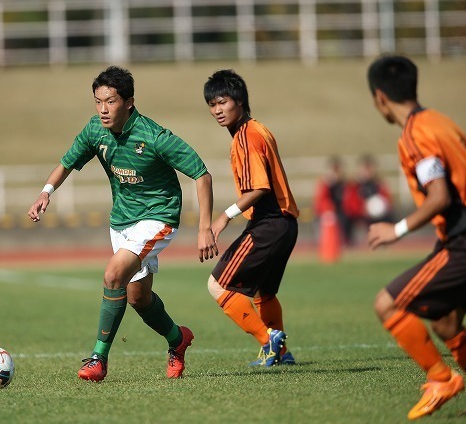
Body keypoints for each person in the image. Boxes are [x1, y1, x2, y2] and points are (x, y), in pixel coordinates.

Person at [28, 66, 218, 382]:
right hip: (121, 222)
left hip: (158, 217)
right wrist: (45, 193)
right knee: (137, 298)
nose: (103, 109)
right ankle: (177, 339)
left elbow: (202, 174)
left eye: (111, 101)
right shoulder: (95, 130)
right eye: (98, 101)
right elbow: (67, 162)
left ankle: (97, 359)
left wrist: (204, 228)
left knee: (113, 274)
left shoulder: (154, 136)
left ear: (129, 102)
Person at [367, 54, 466, 420]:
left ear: (380, 98)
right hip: (455, 237)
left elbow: (439, 196)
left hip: (463, 240)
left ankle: (441, 378)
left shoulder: (414, 135)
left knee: (387, 304)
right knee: (445, 320)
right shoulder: (441, 121)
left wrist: (397, 229)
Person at [203, 69, 299, 367]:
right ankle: (281, 354)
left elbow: (260, 188)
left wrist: (223, 218)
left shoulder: (246, 137)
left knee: (217, 285)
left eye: (223, 101)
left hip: (268, 223)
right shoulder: (259, 129)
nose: (217, 110)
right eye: (212, 104)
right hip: (286, 224)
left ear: (240, 101)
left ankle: (268, 340)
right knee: (263, 292)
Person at [313, 156, 362, 246]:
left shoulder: (346, 184)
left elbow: (353, 201)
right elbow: (320, 202)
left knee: (346, 218)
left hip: (343, 213)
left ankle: (346, 241)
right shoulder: (325, 184)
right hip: (328, 213)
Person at [354, 154, 394, 225]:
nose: (368, 171)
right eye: (365, 168)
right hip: (362, 218)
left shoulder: (379, 184)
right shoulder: (355, 186)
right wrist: (362, 210)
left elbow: (387, 200)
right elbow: (351, 205)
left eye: (369, 168)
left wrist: (383, 207)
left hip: (380, 217)